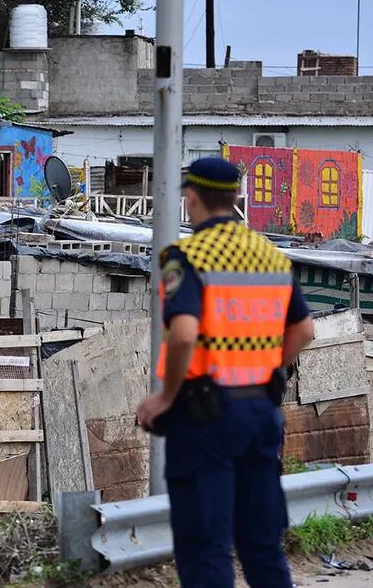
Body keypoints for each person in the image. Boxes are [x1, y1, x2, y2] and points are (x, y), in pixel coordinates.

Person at [136, 156, 314, 588]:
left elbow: (182, 335)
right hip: (260, 414)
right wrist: (268, 367)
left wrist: (165, 397)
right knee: (261, 545)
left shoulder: (187, 256)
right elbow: (305, 330)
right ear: (236, 198)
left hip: (205, 419)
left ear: (191, 198)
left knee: (205, 547)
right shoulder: (271, 256)